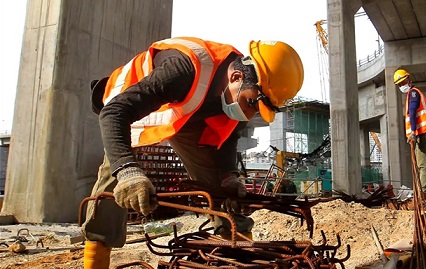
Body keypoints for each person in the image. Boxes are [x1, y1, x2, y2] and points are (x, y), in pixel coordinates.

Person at [82, 37, 304, 269]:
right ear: (236, 77)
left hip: (185, 116)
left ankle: (239, 257)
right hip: (127, 104)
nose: (250, 115)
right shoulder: (183, 70)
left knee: (222, 193)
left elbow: (227, 136)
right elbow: (114, 112)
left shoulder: (236, 95)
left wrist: (229, 175)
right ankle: (95, 259)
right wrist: (126, 170)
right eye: (252, 104)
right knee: (113, 181)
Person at [394, 69, 426, 195]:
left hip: (421, 133)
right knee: (420, 165)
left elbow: (413, 112)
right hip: (420, 133)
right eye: (400, 84)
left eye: (403, 82)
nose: (402, 85)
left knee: (422, 165)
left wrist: (413, 132)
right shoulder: (411, 95)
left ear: (408, 79)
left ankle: (423, 193)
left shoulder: (413, 93)